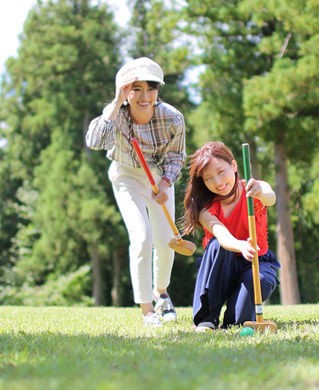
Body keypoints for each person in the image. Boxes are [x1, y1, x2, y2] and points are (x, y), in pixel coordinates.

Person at [86, 57, 186, 326]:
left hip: (159, 176)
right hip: (126, 174)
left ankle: (161, 293)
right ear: (125, 90)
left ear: (158, 91)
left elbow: (177, 156)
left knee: (166, 242)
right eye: (136, 88)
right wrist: (116, 102)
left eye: (151, 88)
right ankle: (147, 311)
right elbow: (94, 142)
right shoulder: (115, 112)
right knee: (142, 238)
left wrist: (166, 183)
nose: (145, 96)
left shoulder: (173, 117)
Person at [182, 141, 280, 331]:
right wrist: (241, 245)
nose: (218, 182)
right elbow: (222, 234)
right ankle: (207, 318)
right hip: (221, 268)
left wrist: (260, 193)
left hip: (255, 262)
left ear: (234, 166)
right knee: (218, 245)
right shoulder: (205, 209)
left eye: (220, 172)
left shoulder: (255, 188)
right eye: (209, 178)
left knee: (258, 281)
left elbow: (271, 197)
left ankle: (234, 320)